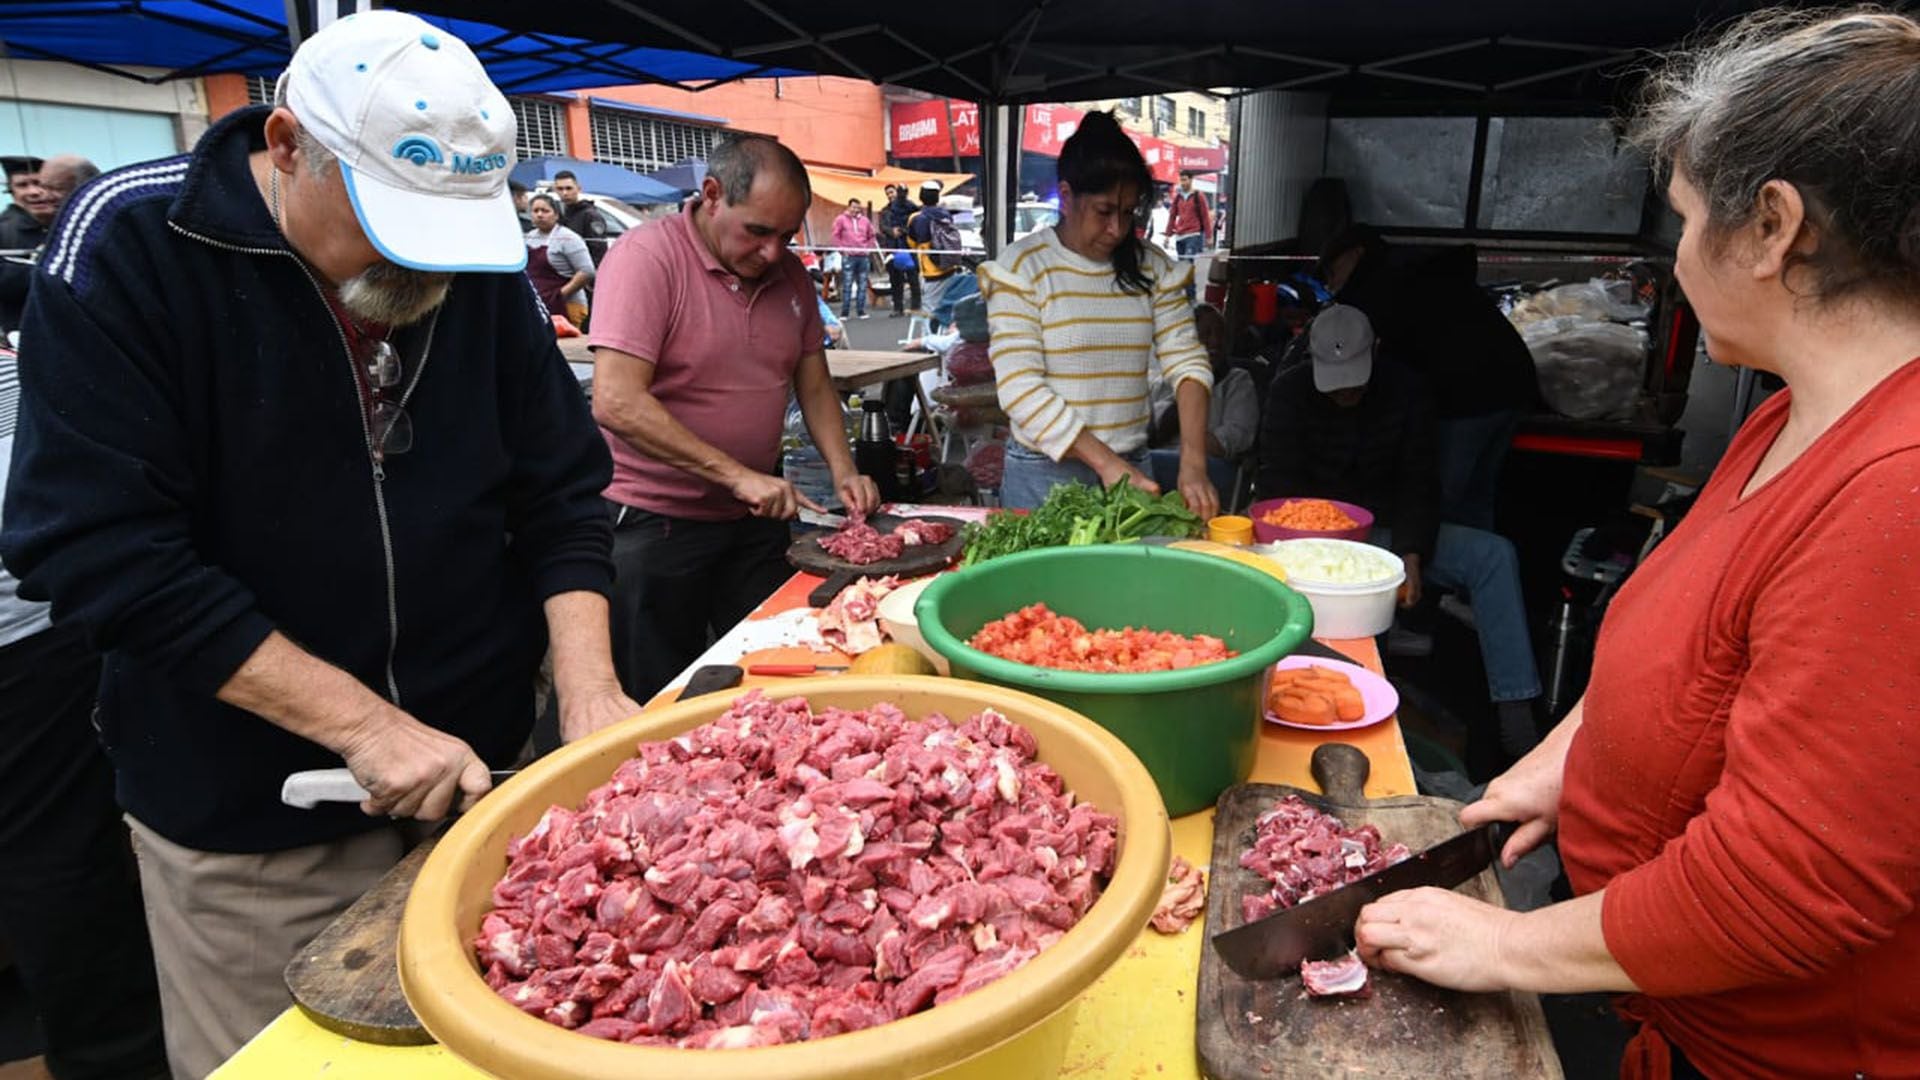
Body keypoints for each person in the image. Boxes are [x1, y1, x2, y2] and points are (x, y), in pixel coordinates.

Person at [0, 14, 637, 1075]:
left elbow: (559, 489)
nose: (422, 263)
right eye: (390, 219)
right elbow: (97, 551)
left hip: (476, 779)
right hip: (249, 811)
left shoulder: (465, 259)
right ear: (288, 144)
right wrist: (366, 726)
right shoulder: (130, 244)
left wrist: (587, 689)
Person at [1351, 16, 1920, 1078]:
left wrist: (1506, 943)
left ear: (1774, 228)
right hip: (1652, 1000)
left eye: (1687, 218)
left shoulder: (1901, 490)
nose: (1675, 250)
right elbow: (1694, 663)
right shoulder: (1788, 415)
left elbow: (1785, 885)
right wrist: (1565, 766)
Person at [590, 132, 881, 701]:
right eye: (757, 232)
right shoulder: (647, 258)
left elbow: (814, 381)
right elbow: (616, 400)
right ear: (712, 195)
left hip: (754, 520)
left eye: (786, 235)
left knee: (764, 671)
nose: (774, 252)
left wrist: (844, 469)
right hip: (654, 523)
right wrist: (736, 475)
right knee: (655, 691)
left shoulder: (790, 276)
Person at [1256, 304, 1542, 758]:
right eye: (1334, 380)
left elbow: (1419, 481)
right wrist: (1308, 545)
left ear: (1377, 352)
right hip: (1313, 550)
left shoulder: (1407, 389)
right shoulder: (1289, 391)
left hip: (1388, 536)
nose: (1345, 391)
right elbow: (1276, 483)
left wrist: (1411, 555)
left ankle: (1516, 713)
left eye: (1354, 377)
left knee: (1494, 555)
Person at [1, 341, 169, 1080]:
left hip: (33, 613)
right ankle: (114, 1058)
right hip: (25, 630)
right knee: (57, 849)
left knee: (54, 850)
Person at [981, 111, 1217, 520]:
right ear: (1067, 196)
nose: (1117, 229)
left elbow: (1187, 360)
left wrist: (1193, 462)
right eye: (1104, 211)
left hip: (1131, 467)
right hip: (1044, 475)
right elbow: (1020, 388)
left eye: (1128, 213)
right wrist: (1107, 464)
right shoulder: (1023, 268)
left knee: (1130, 586)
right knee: (1044, 587)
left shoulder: (1151, 267)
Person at [1318, 228, 1537, 530]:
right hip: (1513, 380)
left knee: (1440, 499)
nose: (1331, 283)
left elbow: (1390, 365)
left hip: (1469, 396)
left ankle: (1433, 569)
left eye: (1332, 271)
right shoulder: (1411, 266)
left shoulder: (1379, 286)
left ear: (1356, 253)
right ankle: (1468, 564)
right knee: (1477, 494)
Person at [1149, 303, 1257, 499]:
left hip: (1214, 466)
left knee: (1144, 465)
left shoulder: (1236, 380)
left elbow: (1236, 437)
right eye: (1205, 334)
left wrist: (1189, 439)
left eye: (1220, 335)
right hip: (1163, 458)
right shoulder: (1162, 383)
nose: (1214, 341)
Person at [0, 155, 54, 334]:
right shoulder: (4, 231)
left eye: (40, 183)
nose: (34, 192)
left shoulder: (70, 223)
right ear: (11, 191)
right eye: (22, 185)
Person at [524, 191, 594, 327]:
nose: (539, 215)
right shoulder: (529, 237)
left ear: (556, 215)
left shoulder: (568, 238)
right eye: (535, 211)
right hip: (539, 305)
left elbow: (587, 271)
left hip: (567, 305)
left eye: (545, 211)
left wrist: (560, 295)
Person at [906, 180, 961, 317]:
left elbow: (912, 243)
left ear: (921, 197)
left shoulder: (917, 218)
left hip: (931, 271)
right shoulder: (946, 215)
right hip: (949, 266)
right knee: (948, 308)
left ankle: (931, 337)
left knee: (930, 309)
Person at [831, 196, 877, 319]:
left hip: (863, 256)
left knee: (862, 284)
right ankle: (844, 312)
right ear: (848, 206)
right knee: (847, 284)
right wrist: (842, 250)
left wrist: (868, 248)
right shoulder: (841, 219)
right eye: (853, 207)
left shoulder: (865, 221)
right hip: (849, 256)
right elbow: (835, 235)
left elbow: (872, 235)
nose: (855, 210)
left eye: (858, 207)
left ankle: (861, 311)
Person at [552, 169, 611, 264]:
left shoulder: (591, 216)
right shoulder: (560, 215)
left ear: (578, 188)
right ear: (555, 190)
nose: (565, 193)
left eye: (569, 188)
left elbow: (598, 251)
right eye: (560, 189)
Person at [1167, 170, 1210, 299]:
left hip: (1193, 235)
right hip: (1180, 236)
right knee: (1182, 268)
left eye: (1185, 179)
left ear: (1191, 180)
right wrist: (1168, 234)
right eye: (1181, 180)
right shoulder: (1178, 197)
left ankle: (1191, 297)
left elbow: (1205, 217)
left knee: (1187, 264)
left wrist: (1209, 236)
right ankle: (1187, 296)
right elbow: (1172, 216)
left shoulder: (1198, 196)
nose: (1183, 182)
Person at [879, 181, 920, 316]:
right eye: (888, 193)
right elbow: (882, 227)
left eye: (892, 192)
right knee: (895, 280)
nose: (890, 195)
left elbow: (916, 222)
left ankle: (915, 308)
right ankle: (898, 308)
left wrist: (903, 231)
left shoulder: (910, 207)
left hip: (908, 247)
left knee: (913, 279)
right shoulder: (885, 211)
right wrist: (892, 231)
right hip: (893, 249)